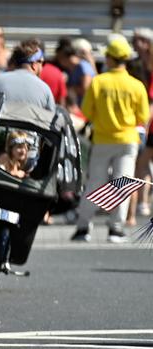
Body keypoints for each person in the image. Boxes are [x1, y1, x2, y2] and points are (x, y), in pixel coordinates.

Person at [73, 37, 149, 243]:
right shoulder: (136, 85)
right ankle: (115, 228)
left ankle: (83, 227)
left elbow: (87, 111)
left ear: (111, 59)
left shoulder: (99, 82)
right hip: (128, 141)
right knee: (122, 183)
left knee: (95, 182)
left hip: (103, 140)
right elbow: (143, 116)